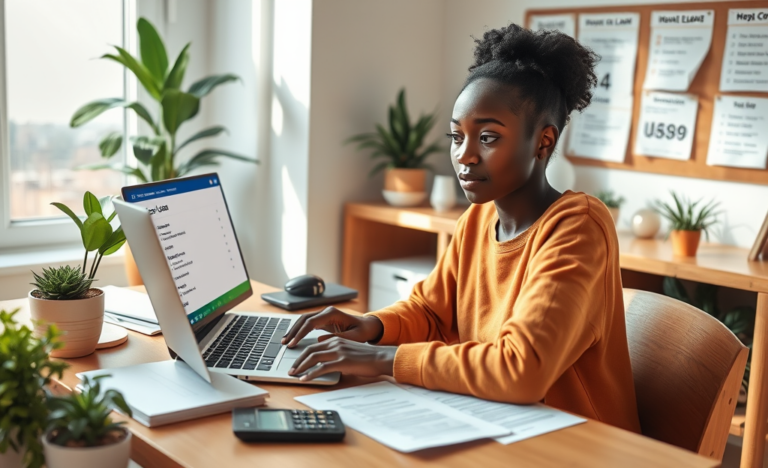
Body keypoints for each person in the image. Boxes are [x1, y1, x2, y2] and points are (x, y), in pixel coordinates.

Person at [282, 23, 641, 432]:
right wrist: (373, 327)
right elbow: (430, 311)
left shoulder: (577, 227)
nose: (464, 156)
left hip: (578, 441)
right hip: (499, 421)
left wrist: (382, 358)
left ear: (543, 142)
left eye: (487, 137)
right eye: (456, 136)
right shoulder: (478, 218)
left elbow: (520, 368)